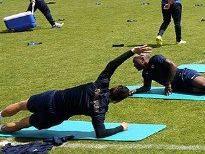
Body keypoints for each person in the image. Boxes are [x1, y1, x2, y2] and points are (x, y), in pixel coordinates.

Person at [1, 46, 151, 137]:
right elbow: (101, 133)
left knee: (21, 104)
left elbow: (112, 65)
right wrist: (121, 127)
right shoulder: (100, 110)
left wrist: (132, 51)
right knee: (22, 125)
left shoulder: (101, 83)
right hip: (54, 115)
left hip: (50, 97)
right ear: (117, 101)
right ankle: (1, 128)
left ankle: (0, 115)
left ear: (112, 88)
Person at [132, 52, 205, 97]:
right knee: (201, 92)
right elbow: (147, 87)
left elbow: (173, 66)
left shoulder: (156, 59)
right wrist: (134, 91)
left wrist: (168, 83)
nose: (134, 65)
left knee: (204, 84)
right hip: (178, 87)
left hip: (183, 75)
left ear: (142, 59)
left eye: (135, 63)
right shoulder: (145, 73)